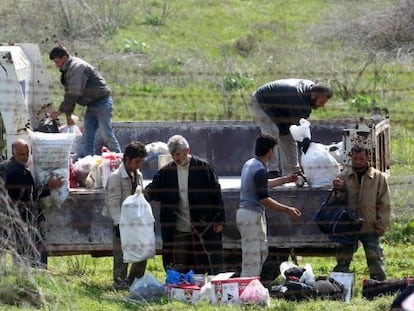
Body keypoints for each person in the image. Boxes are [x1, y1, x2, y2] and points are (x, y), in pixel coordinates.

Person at [145, 135, 225, 275]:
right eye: (173, 155)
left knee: (203, 262)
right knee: (178, 263)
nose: (176, 158)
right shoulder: (167, 172)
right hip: (177, 228)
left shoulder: (203, 168)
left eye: (178, 154)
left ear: (187, 151)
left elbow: (216, 195)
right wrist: (139, 197)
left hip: (202, 225)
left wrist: (219, 219)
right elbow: (153, 190)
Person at [237, 133, 302, 278]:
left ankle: (252, 286)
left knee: (260, 251)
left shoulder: (250, 164)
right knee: (252, 256)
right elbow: (264, 199)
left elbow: (262, 185)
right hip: (251, 215)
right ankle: (248, 290)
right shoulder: (260, 169)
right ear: (271, 151)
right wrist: (288, 209)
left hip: (247, 213)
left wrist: (286, 179)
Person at [331, 143, 391, 281]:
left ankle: (379, 287)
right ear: (351, 158)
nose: (358, 162)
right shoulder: (343, 176)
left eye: (361, 159)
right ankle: (339, 287)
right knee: (343, 261)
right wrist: (338, 189)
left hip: (370, 226)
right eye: (355, 159)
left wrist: (382, 225)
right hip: (348, 227)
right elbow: (336, 202)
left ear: (368, 158)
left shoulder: (378, 178)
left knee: (375, 261)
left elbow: (384, 204)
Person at [49, 45, 121, 157]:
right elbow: (69, 93)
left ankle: (120, 160)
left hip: (102, 103)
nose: (56, 65)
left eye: (57, 61)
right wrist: (68, 115)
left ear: (64, 58)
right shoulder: (68, 70)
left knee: (106, 135)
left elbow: (74, 93)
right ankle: (89, 164)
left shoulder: (77, 67)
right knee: (87, 138)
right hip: (91, 105)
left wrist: (59, 112)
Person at [251, 78, 333, 177]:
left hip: (281, 108)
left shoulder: (310, 92)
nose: (322, 106)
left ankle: (293, 172)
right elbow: (298, 128)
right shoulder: (298, 97)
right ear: (314, 95)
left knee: (288, 136)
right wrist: (306, 142)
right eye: (321, 102)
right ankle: (272, 171)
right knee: (272, 133)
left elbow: (296, 129)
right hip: (262, 101)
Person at [5, 139, 63, 266]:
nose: (25, 157)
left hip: (23, 218)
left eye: (27, 153)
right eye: (21, 154)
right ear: (13, 153)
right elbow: (27, 194)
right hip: (21, 219)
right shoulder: (14, 172)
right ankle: (36, 276)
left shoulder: (17, 168)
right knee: (33, 253)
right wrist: (49, 187)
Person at [104, 141, 148, 290]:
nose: (139, 165)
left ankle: (135, 280)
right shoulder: (116, 177)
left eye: (141, 161)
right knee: (121, 255)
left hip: (137, 221)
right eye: (136, 161)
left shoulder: (139, 175)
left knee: (142, 252)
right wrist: (118, 224)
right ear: (127, 159)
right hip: (122, 221)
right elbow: (113, 203)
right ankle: (120, 283)